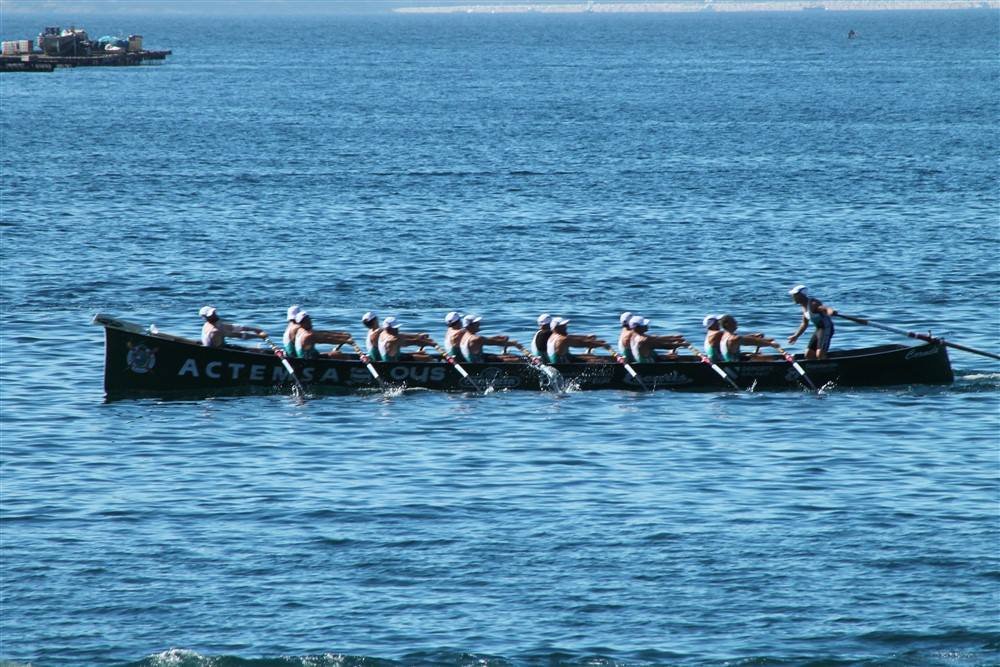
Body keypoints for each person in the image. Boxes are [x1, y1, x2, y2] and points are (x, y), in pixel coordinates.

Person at [787, 284, 838, 360]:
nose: (793, 297)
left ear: (802, 295)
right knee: (808, 354)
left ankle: (826, 367)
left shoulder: (813, 303)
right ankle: (815, 368)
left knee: (820, 354)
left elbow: (824, 308)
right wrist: (796, 336)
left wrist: (830, 311)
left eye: (795, 295)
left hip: (826, 328)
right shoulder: (803, 306)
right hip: (818, 330)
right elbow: (804, 324)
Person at [199, 306, 266, 348]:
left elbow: (233, 327)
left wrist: (255, 330)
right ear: (206, 318)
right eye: (211, 315)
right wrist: (259, 336)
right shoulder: (215, 331)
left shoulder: (208, 324)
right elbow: (239, 335)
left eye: (214, 313)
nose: (214, 315)